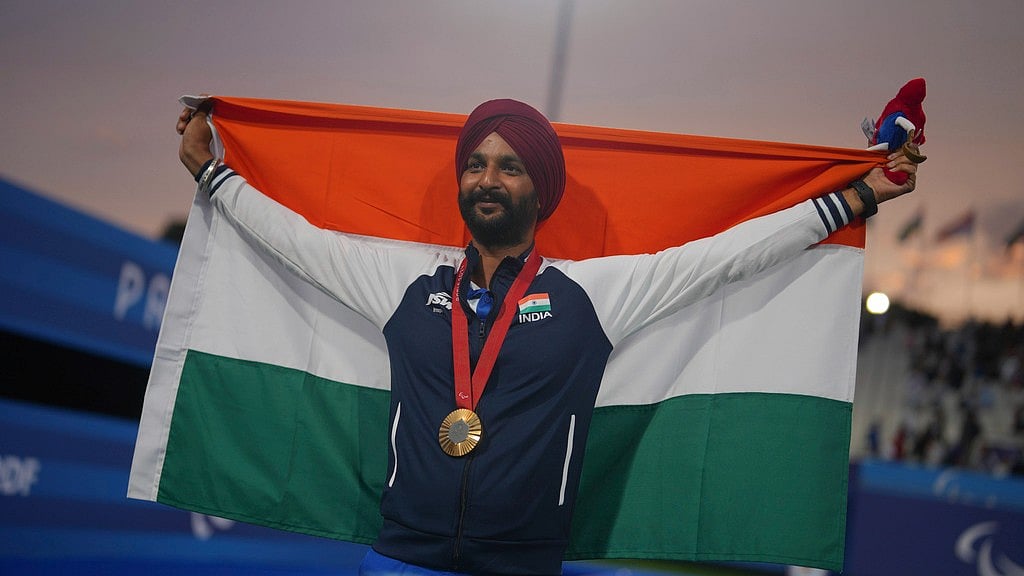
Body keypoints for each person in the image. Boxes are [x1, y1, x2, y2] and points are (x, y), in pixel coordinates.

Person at [176, 98, 921, 576]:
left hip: (522, 568)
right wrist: (213, 174)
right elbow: (299, 243)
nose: (486, 178)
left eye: (508, 165)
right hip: (401, 560)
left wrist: (858, 196)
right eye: (474, 164)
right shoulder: (406, 287)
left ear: (541, 188)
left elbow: (723, 258)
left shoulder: (591, 296)